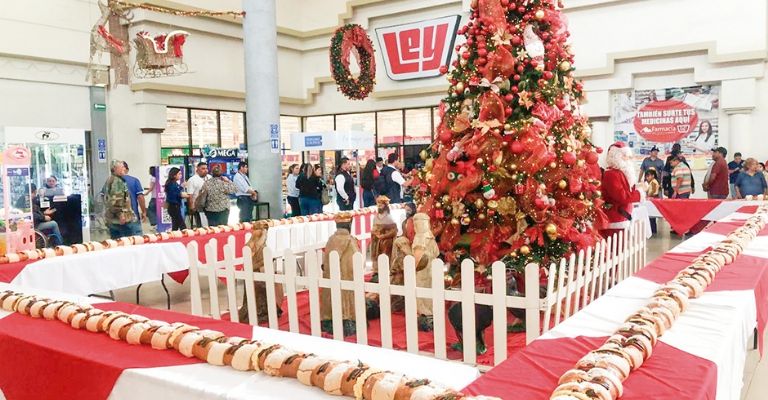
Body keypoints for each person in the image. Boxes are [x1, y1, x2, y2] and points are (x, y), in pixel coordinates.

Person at [320, 212, 359, 337]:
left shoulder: (332, 240)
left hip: (334, 277)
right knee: (346, 298)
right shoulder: (349, 240)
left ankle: (329, 318)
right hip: (347, 278)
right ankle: (347, 319)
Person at [600, 142, 641, 239]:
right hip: (616, 218)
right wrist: (640, 193)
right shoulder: (612, 174)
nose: (628, 159)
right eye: (625, 156)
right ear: (617, 157)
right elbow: (622, 197)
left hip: (622, 217)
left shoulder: (619, 173)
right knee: (616, 246)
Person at [103, 160, 138, 239]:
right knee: (126, 241)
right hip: (121, 220)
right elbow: (116, 200)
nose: (124, 169)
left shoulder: (110, 179)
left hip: (112, 218)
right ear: (115, 169)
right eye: (122, 167)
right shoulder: (117, 181)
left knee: (115, 241)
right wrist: (120, 214)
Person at [121, 162, 147, 235]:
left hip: (116, 218)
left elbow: (103, 196)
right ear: (127, 170)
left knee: (119, 240)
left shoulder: (110, 181)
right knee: (136, 239)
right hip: (132, 215)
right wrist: (144, 212)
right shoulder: (134, 180)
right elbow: (140, 197)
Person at [185, 162, 210, 227]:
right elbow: (190, 195)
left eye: (206, 168)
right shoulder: (192, 180)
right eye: (203, 168)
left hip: (210, 206)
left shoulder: (210, 177)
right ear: (197, 169)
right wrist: (191, 207)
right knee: (200, 226)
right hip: (198, 207)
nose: (205, 170)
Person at [643, 169, 660, 235]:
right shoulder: (651, 182)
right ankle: (652, 229)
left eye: (648, 176)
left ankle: (653, 230)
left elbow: (653, 191)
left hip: (653, 198)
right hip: (652, 198)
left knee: (652, 215)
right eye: (646, 176)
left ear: (653, 176)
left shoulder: (653, 182)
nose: (647, 178)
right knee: (652, 216)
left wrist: (648, 196)